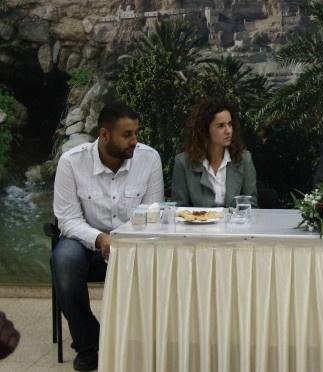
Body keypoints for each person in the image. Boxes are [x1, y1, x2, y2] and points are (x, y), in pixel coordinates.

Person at [53, 102, 163, 371]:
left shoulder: (149, 159)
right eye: (127, 135)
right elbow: (67, 220)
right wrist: (100, 239)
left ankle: (141, 341)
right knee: (64, 261)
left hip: (133, 244)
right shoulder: (71, 162)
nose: (134, 141)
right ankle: (88, 344)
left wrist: (124, 242)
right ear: (104, 135)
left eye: (135, 133)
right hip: (86, 245)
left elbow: (153, 213)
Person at [172, 97, 257, 207]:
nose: (228, 131)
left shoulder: (244, 158)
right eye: (221, 126)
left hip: (235, 218)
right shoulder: (183, 162)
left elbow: (251, 205)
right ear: (204, 130)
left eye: (230, 124)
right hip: (198, 219)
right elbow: (179, 208)